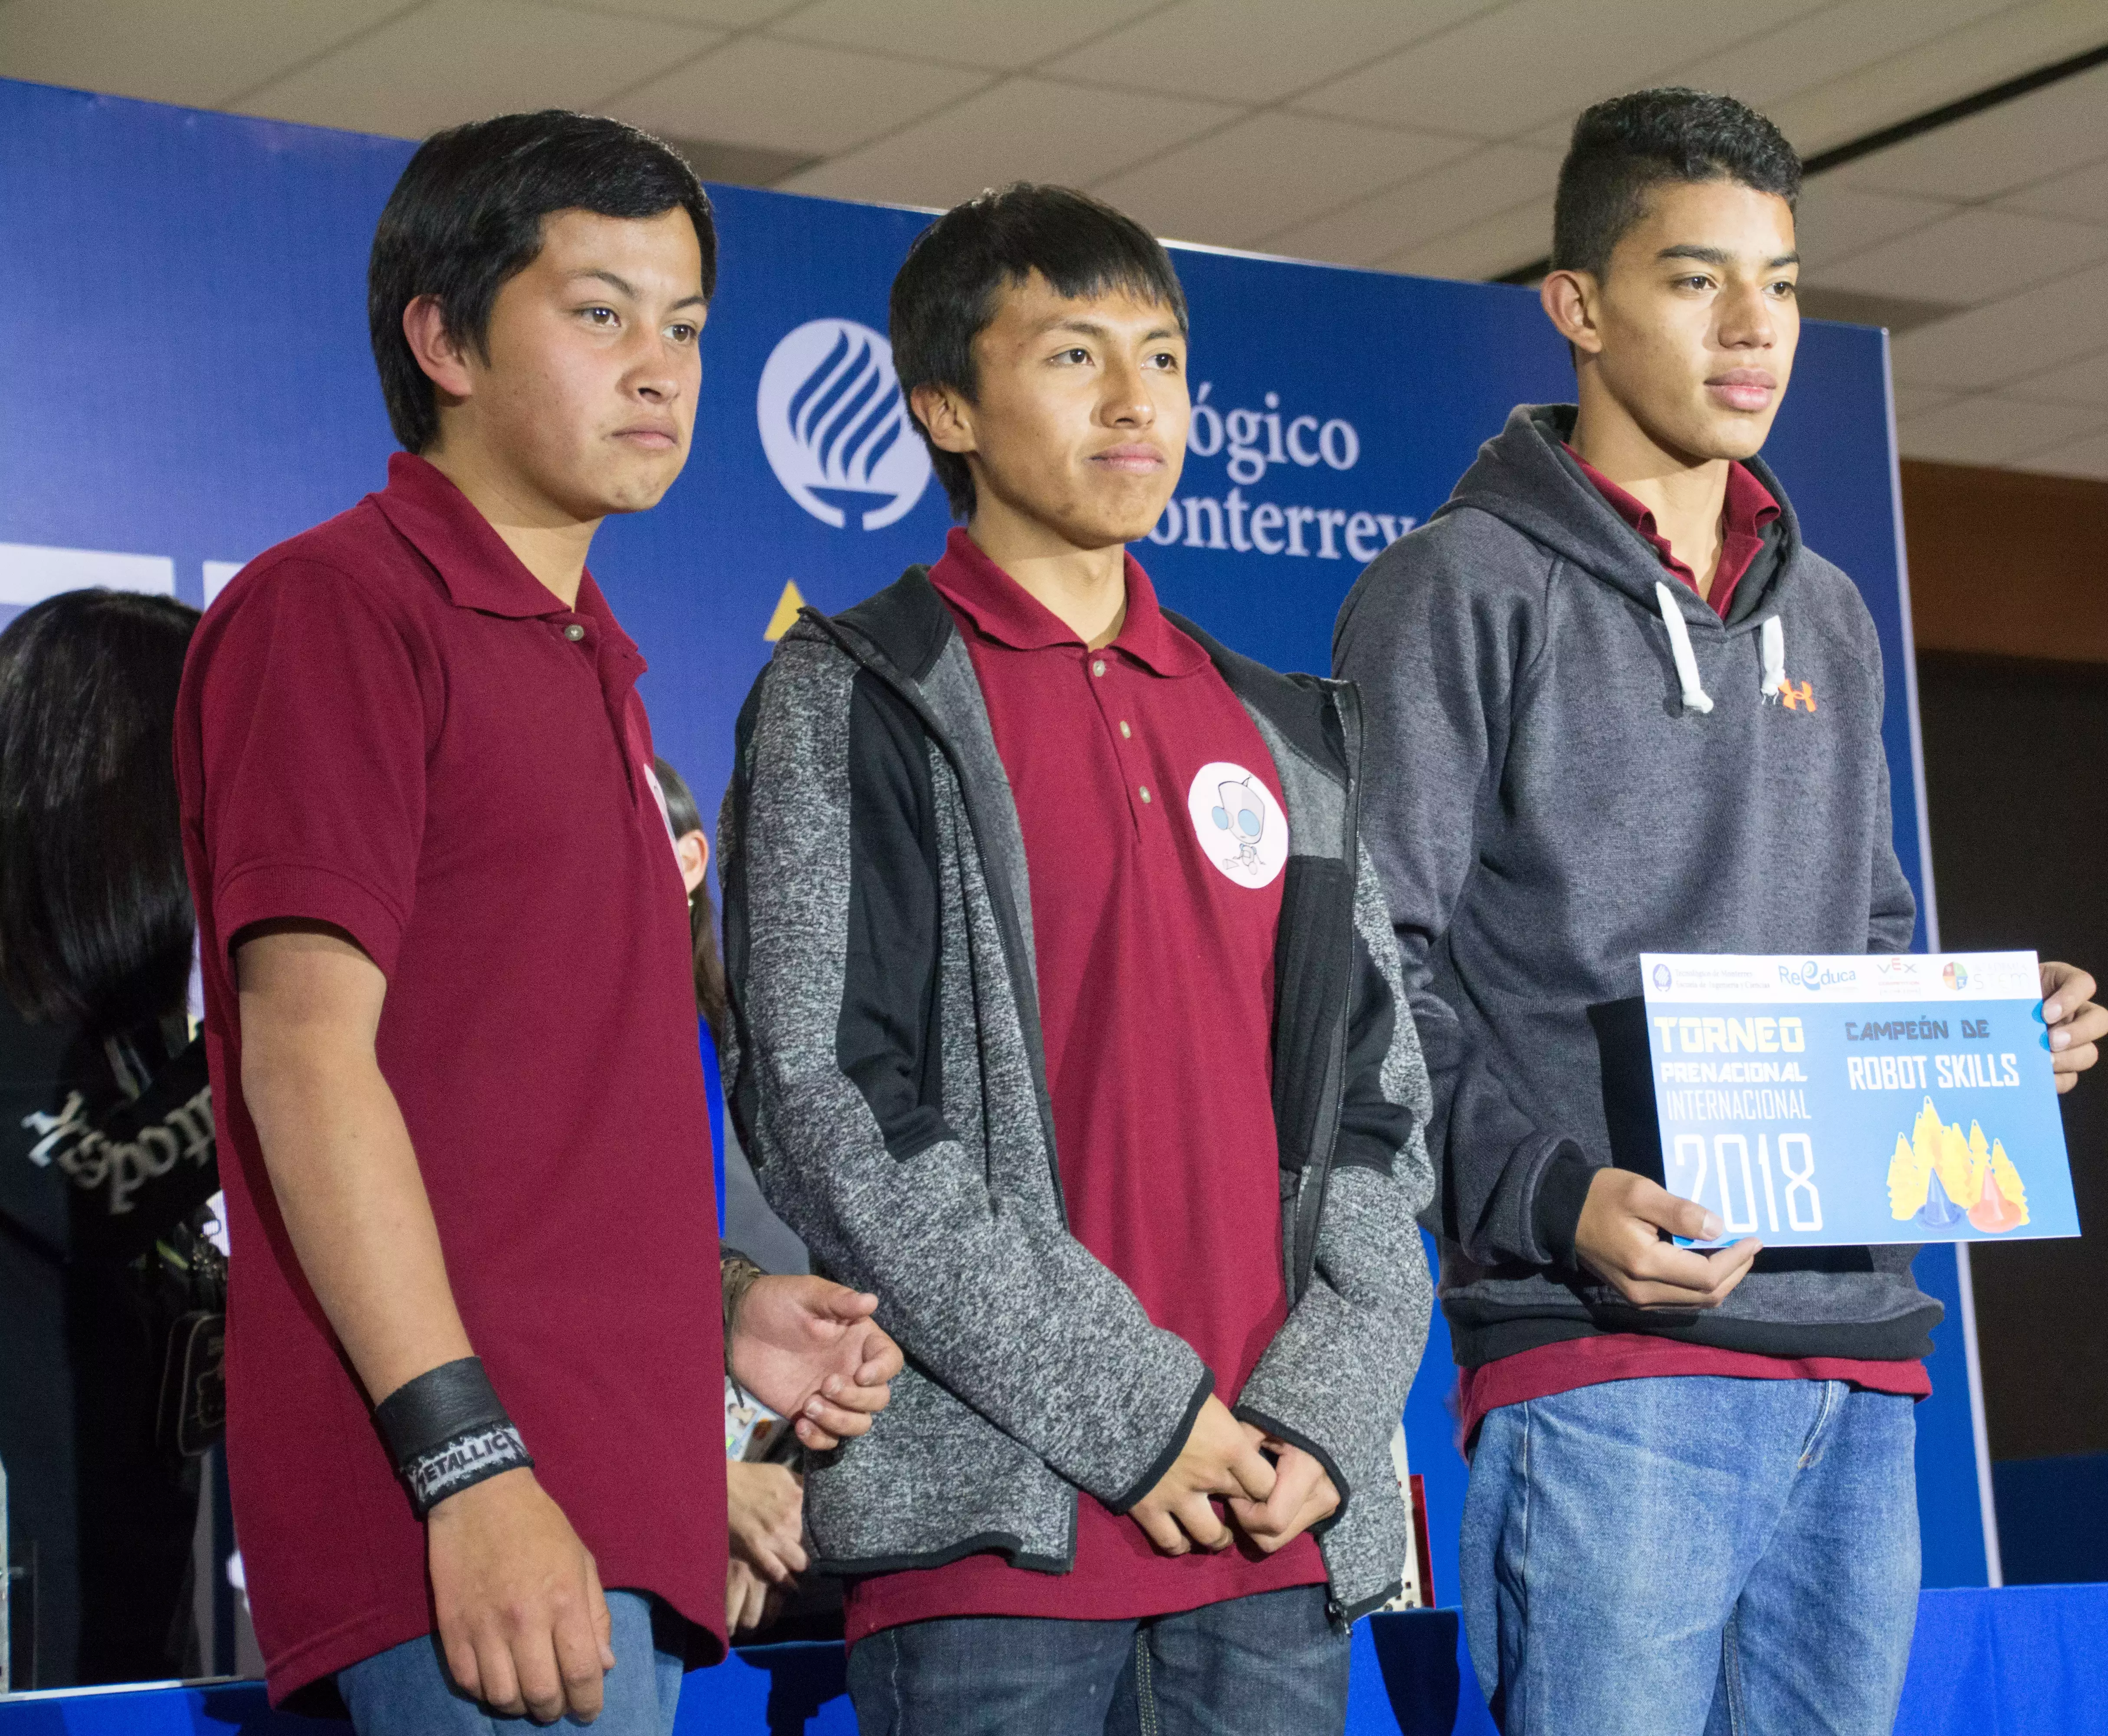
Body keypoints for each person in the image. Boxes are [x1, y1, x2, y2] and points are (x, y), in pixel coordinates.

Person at [1334, 89, 2108, 1736]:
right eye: (1699, 281)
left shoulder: (1828, 608)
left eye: (1783, 282)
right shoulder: (1457, 589)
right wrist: (1552, 1200)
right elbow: (1365, 976)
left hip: (1859, 1367)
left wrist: (1983, 1043)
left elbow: (1874, 939)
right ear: (1580, 309)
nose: (1758, 329)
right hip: (1610, 1360)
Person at [173, 110, 896, 1733]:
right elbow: (303, 1064)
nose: (661, 368)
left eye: (688, 327)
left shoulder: (600, 667)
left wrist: (717, 1310)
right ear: (442, 337)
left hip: (610, 1516)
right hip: (467, 1526)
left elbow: (512, 1115)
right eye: (598, 313)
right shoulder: (340, 609)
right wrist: (469, 1466)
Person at [723, 183, 1434, 1736]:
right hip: (999, 1550)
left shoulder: (1287, 728)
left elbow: (1382, 1112)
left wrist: (1324, 1408)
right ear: (944, 406)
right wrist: (1139, 1416)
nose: (1137, 403)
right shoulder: (859, 694)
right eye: (1073, 356)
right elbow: (828, 1104)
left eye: (1164, 358)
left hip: (1271, 1527)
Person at [0, 588, 220, 1685]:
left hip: (136, 1650)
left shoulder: (137, 1037)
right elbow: (109, 1183)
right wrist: (287, 1018)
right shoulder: (19, 1027)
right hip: (29, 1650)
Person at [647, 754, 824, 1641]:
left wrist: (767, 1498)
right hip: (623, 1528)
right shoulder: (529, 1074)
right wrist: (696, 1495)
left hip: (788, 1535)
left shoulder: (760, 1065)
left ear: (689, 860)